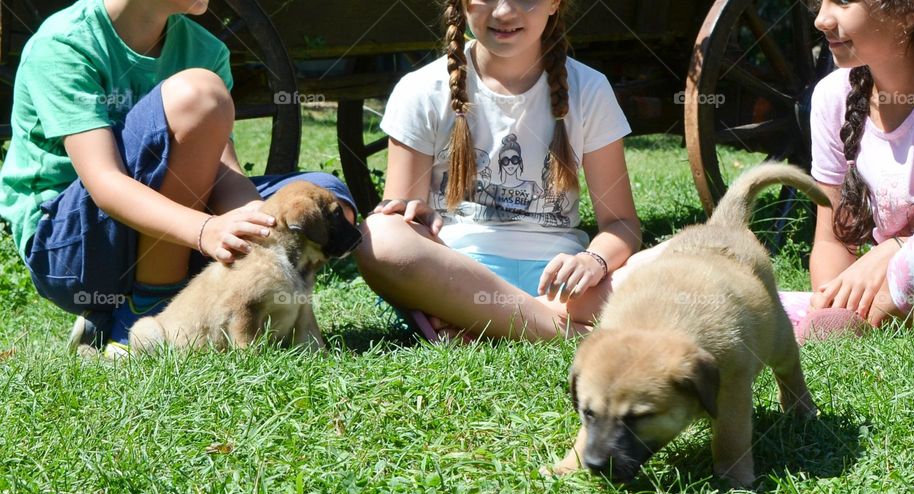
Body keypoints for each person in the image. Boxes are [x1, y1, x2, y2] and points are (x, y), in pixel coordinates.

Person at [0, 0, 356, 356]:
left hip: (173, 226)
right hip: (76, 244)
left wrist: (260, 226)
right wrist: (204, 230)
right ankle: (145, 310)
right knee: (198, 96)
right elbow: (104, 182)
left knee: (325, 202)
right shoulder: (65, 44)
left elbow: (224, 171)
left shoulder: (204, 48)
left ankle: (206, 310)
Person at [354, 0, 642, 341]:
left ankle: (481, 325)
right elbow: (401, 219)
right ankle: (566, 332)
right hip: (459, 277)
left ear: (554, 4)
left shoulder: (589, 89)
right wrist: (411, 215)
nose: (504, 12)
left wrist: (594, 260)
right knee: (379, 237)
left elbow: (621, 223)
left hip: (561, 285)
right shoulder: (421, 90)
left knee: (677, 255)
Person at [782, 0, 914, 339]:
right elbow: (832, 239)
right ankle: (851, 322)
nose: (821, 19)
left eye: (843, 2)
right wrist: (832, 301)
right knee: (738, 301)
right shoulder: (832, 98)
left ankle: (863, 325)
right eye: (821, 3)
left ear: (909, 9)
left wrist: (897, 248)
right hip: (891, 292)